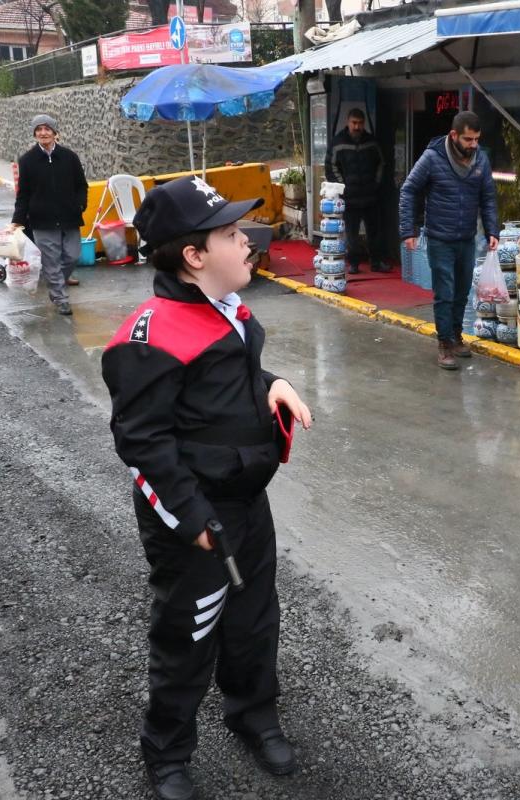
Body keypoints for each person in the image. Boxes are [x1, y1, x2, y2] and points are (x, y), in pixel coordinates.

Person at [101, 176, 312, 800]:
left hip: (249, 503)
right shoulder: (148, 337)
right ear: (194, 256)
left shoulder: (230, 311)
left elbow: (233, 377)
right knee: (188, 631)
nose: (248, 240)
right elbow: (141, 442)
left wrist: (270, 382)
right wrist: (191, 519)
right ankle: (166, 754)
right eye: (229, 233)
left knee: (253, 620)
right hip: (193, 519)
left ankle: (254, 717)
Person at [399, 111, 499, 370]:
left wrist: (492, 231)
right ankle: (444, 343)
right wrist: (408, 231)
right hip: (439, 239)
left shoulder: (481, 160)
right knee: (445, 292)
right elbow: (409, 190)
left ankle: (456, 336)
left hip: (467, 238)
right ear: (454, 135)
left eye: (476, 139)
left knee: (462, 290)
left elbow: (488, 197)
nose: (473, 145)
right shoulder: (432, 158)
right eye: (468, 139)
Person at [11, 114, 89, 316]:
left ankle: (55, 284)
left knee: (72, 256)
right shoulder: (27, 160)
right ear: (34, 134)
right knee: (51, 261)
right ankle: (60, 297)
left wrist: (80, 204)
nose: (43, 133)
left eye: (47, 129)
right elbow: (24, 193)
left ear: (55, 133)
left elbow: (81, 185)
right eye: (39, 130)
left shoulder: (69, 156)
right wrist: (17, 220)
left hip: (69, 217)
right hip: (41, 220)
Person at [324, 107, 389, 274]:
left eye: (360, 123)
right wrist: (343, 187)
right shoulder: (338, 142)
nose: (357, 126)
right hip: (350, 197)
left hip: (370, 195)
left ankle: (376, 262)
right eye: (354, 123)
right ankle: (353, 263)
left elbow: (381, 163)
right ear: (348, 122)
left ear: (364, 123)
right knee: (351, 234)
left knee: (374, 232)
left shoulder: (371, 142)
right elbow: (330, 167)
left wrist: (376, 183)